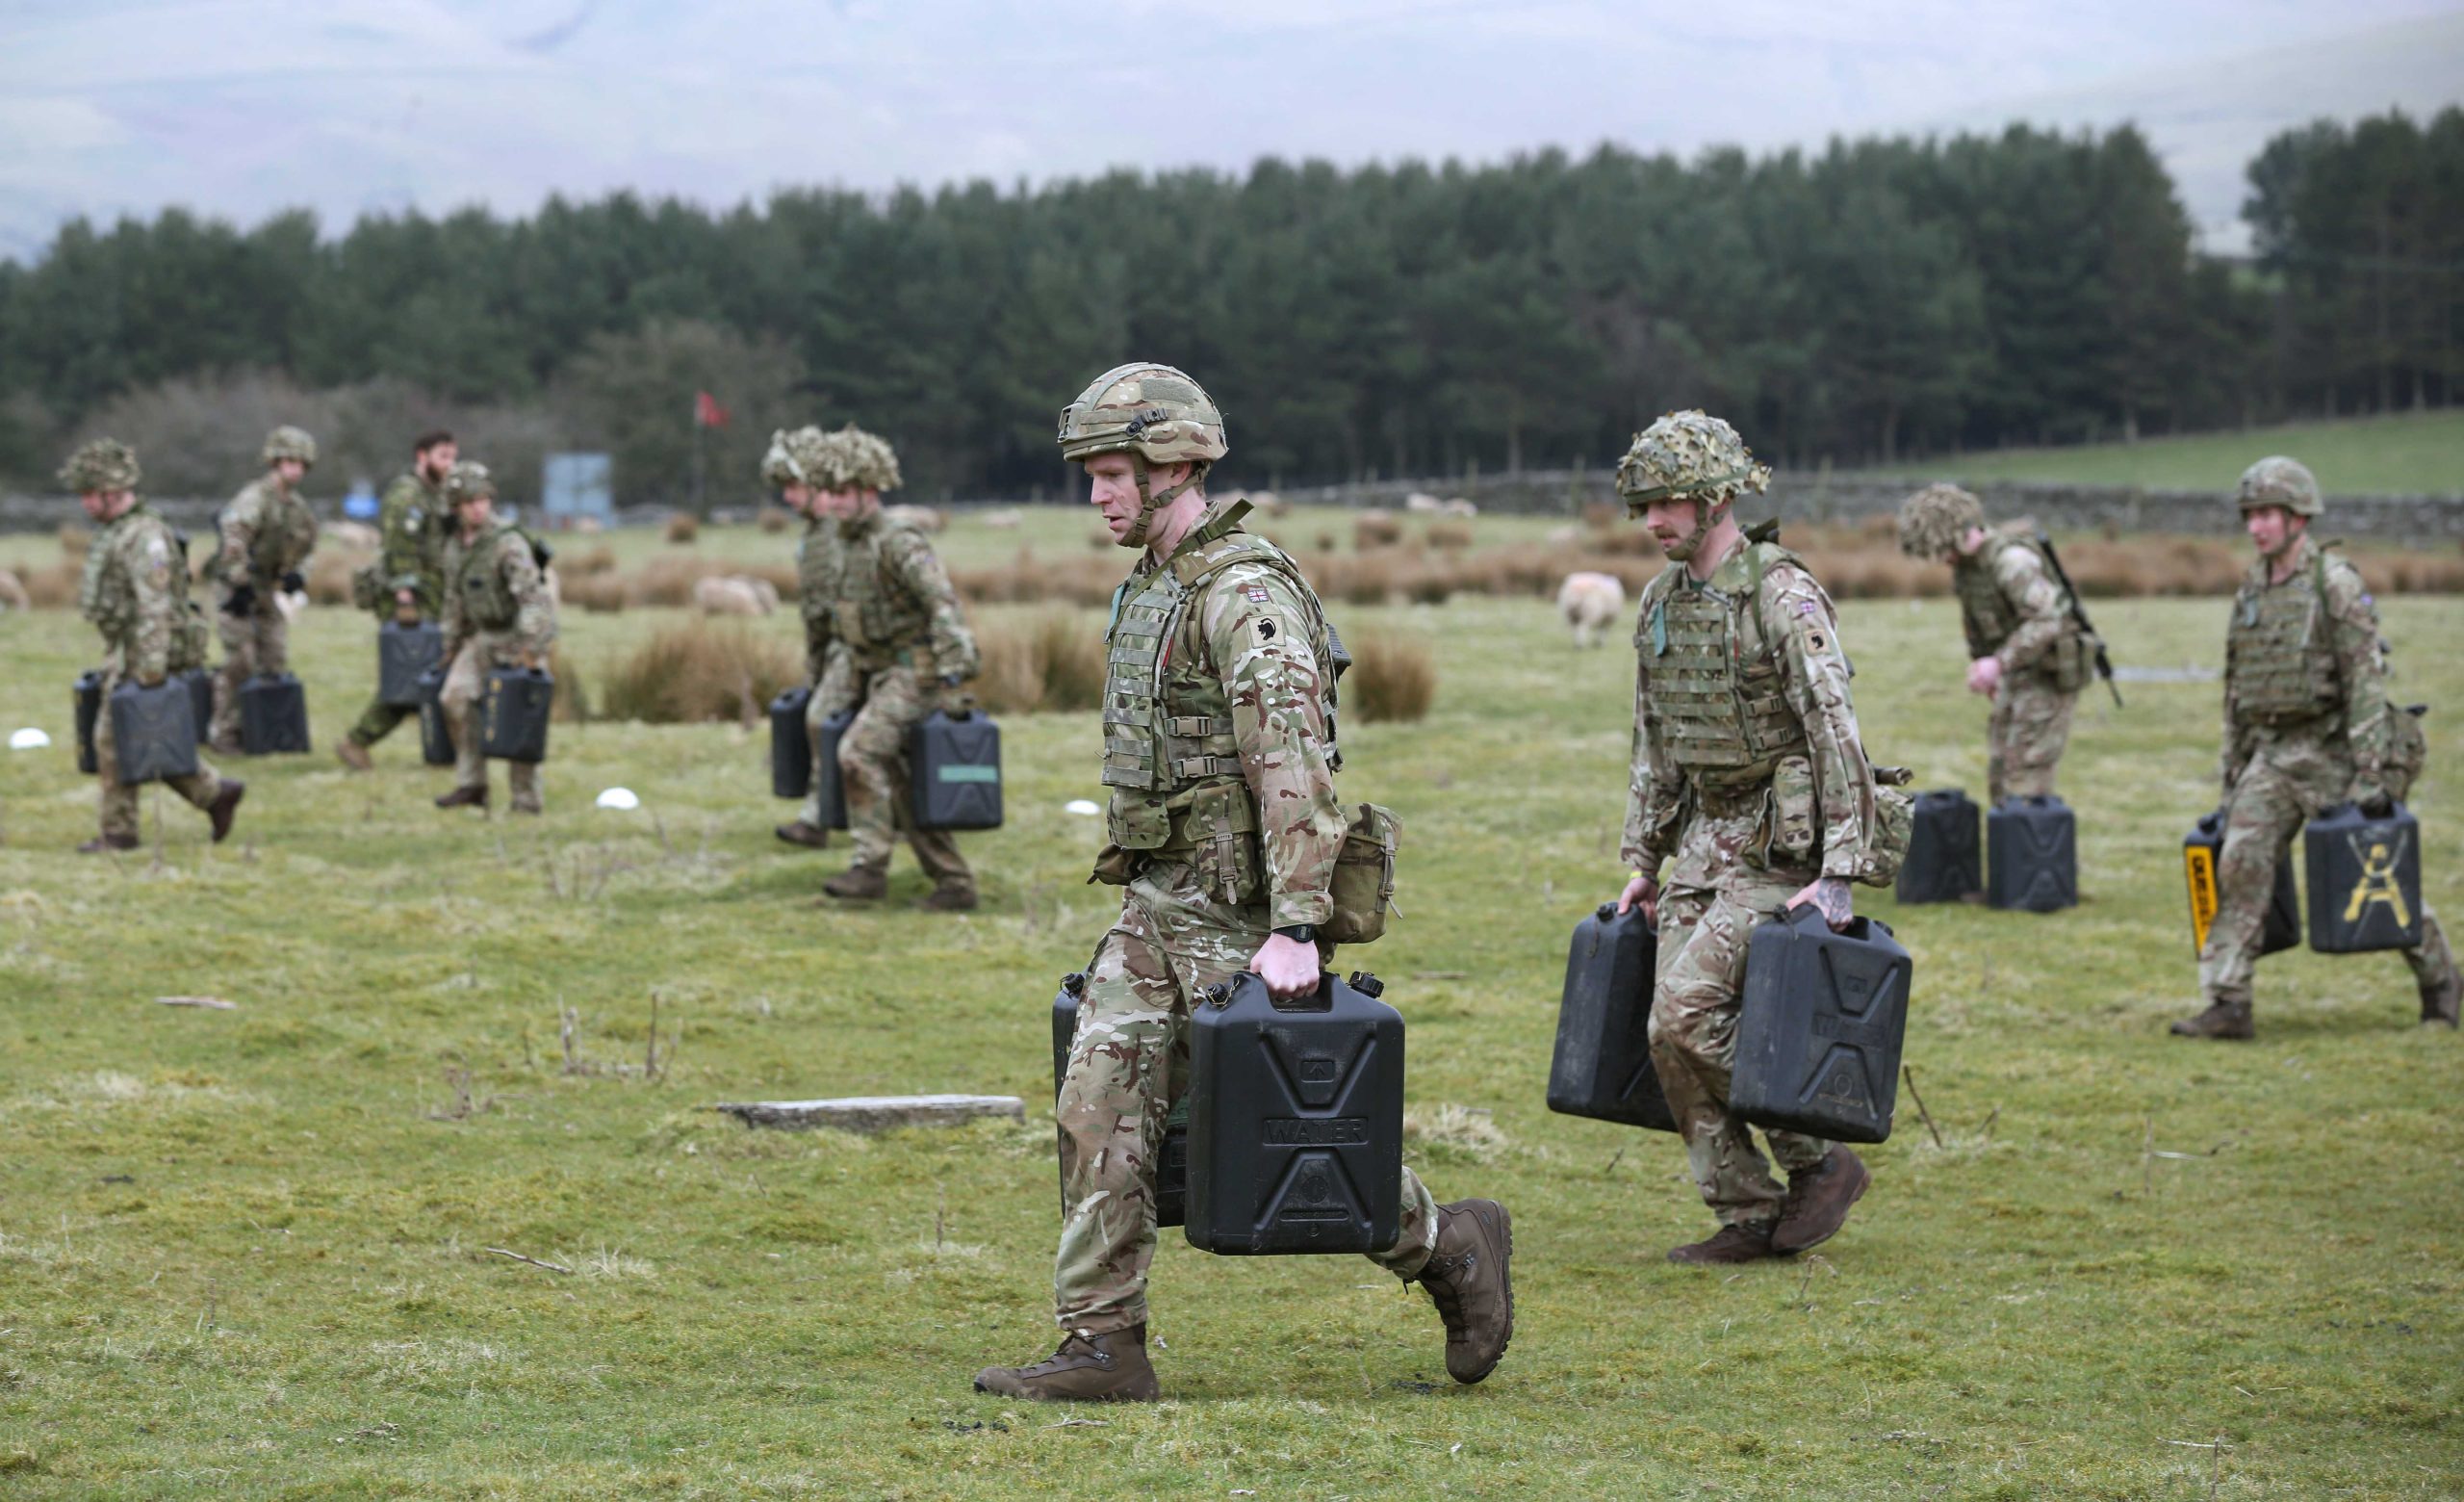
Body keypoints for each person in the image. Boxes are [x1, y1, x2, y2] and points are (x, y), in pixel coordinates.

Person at [973, 364, 1512, 1403]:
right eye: (1090, 473)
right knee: (1096, 1108)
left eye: (1112, 471)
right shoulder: (1156, 586)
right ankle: (1103, 1345)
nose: (1098, 494)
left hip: (1241, 910)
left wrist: (1299, 923)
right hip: (1158, 902)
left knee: (1286, 1130)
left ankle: (1448, 1247)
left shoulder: (1242, 593)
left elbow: (1293, 765)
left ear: (1176, 463)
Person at [1617, 410, 1898, 1265]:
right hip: (1705, 839)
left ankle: (1818, 1162)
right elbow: (1654, 739)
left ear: (1717, 499)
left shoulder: (1781, 594)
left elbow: (1835, 728)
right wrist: (1642, 858)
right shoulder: (1662, 601)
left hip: (1784, 846)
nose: (1655, 519)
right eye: (1645, 503)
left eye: (1670, 502)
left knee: (1687, 1012)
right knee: (1666, 1034)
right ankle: (1746, 1210)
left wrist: (1842, 870)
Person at [2175, 456, 2460, 1038]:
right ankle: (2229, 1001)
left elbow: (2364, 681)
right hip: (2275, 756)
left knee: (2374, 877)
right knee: (2238, 863)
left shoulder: (2334, 582)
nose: (2257, 527)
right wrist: (2233, 777)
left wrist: (2370, 774)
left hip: (2333, 752)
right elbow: (2238, 688)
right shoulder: (2252, 587)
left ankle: (2443, 982)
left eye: (2268, 514)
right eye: (2250, 515)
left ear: (2298, 516)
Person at [808, 425, 982, 910]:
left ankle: (869, 867)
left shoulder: (899, 540)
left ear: (870, 489)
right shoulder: (842, 542)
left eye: (843, 492)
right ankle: (955, 884)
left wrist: (954, 675)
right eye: (829, 493)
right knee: (905, 783)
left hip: (913, 672)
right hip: (874, 670)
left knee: (857, 754)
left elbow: (942, 603)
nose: (835, 503)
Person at [63, 438, 244, 850]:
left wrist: (150, 668)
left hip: (143, 653)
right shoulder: (119, 532)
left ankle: (120, 832)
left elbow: (154, 605)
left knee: (114, 740)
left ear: (112, 492)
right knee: (133, 737)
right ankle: (213, 794)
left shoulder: (145, 537)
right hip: (127, 650)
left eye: (90, 495)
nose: (85, 504)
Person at [1895, 482, 2091, 802]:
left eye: (1942, 549)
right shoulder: (1968, 569)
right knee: (2000, 774)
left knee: (2025, 779)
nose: (1943, 560)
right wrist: (1984, 664)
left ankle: (2032, 848)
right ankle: (2011, 847)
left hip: (2047, 675)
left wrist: (1998, 663)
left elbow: (2048, 620)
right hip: (2015, 676)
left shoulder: (2012, 562)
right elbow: (1979, 623)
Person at [432, 462, 556, 816]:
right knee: (455, 698)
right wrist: (450, 645)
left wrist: (530, 647)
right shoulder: (455, 548)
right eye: (470, 501)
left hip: (518, 637)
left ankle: (526, 801)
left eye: (484, 500)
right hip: (483, 638)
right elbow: (454, 601)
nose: (478, 507)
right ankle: (472, 783)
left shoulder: (508, 543)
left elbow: (532, 597)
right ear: (456, 506)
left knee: (520, 718)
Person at [339, 428, 455, 770]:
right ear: (422, 456)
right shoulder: (408, 496)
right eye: (443, 456)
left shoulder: (435, 495)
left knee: (427, 677)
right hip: (411, 600)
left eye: (453, 456)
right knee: (413, 680)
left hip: (433, 595)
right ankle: (357, 740)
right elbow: (399, 550)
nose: (450, 464)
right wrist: (406, 599)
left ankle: (444, 749)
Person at [762, 427, 855, 851]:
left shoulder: (834, 532)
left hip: (853, 647)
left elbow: (826, 608)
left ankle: (819, 817)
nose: (788, 497)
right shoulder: (819, 533)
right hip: (837, 646)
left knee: (821, 718)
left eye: (793, 486)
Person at [205, 425, 321, 753]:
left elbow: (310, 544)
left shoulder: (297, 509)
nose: (295, 469)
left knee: (274, 660)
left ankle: (267, 731)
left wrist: (298, 574)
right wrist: (239, 583)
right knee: (239, 662)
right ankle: (224, 734)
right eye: (289, 461)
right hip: (236, 591)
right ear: (275, 462)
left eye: (301, 464)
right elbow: (233, 540)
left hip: (268, 591)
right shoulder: (254, 499)